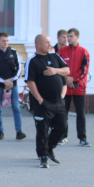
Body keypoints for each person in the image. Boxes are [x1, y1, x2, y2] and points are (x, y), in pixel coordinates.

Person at [25, 34, 69, 168]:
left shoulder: (55, 56)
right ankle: (43, 155)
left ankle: (49, 147)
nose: (50, 44)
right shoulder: (32, 60)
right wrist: (40, 100)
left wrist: (55, 71)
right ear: (38, 44)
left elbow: (67, 70)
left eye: (50, 42)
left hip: (58, 101)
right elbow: (30, 82)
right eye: (47, 42)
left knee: (62, 126)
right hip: (42, 103)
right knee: (42, 130)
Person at [0, 32, 26, 141]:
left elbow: (19, 68)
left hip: (12, 85)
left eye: (7, 41)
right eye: (3, 41)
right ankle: (0, 131)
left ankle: (19, 131)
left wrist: (11, 80)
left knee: (16, 107)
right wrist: (3, 81)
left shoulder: (13, 52)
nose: (6, 43)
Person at [57, 28, 91, 147]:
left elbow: (84, 70)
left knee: (80, 114)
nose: (68, 39)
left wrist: (73, 79)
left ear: (77, 37)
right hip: (65, 88)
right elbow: (58, 67)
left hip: (79, 88)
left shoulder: (84, 52)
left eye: (71, 36)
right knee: (63, 114)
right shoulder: (61, 51)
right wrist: (66, 79)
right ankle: (62, 136)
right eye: (67, 36)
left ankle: (82, 138)